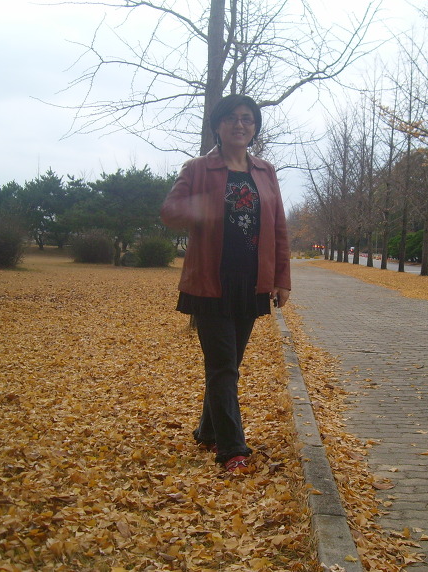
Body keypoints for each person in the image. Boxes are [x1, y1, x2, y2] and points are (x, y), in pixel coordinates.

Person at [160, 94, 291, 474]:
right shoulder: (198, 168)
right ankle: (232, 449)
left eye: (247, 118)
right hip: (210, 281)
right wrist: (200, 207)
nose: (240, 124)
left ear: (255, 127)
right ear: (217, 125)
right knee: (223, 367)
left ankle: (207, 430)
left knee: (229, 365)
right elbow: (169, 212)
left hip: (250, 282)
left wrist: (282, 279)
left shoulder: (265, 171)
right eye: (232, 118)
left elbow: (279, 228)